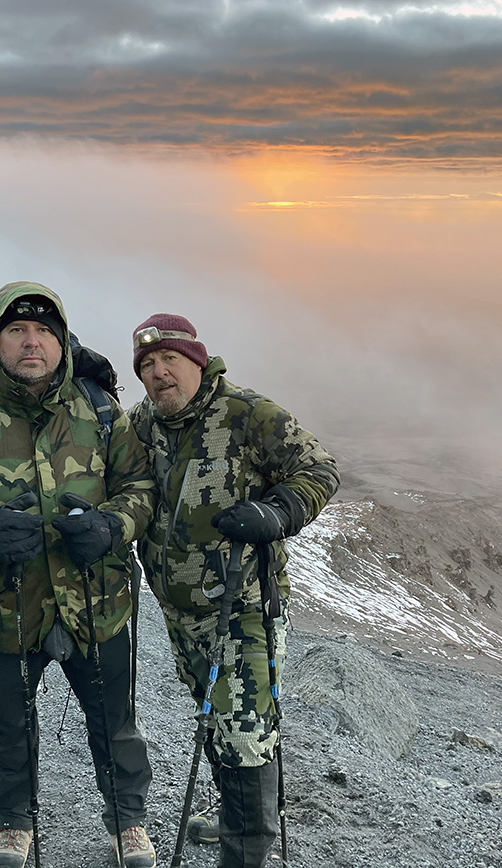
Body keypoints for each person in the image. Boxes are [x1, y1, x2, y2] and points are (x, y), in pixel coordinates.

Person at [0, 281, 158, 868]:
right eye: (17, 330)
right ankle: (14, 824)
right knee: (10, 723)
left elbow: (140, 488)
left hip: (97, 602)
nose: (31, 342)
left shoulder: (97, 409)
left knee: (115, 721)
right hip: (5, 606)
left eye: (44, 331)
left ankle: (129, 823)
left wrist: (112, 527)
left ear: (63, 342)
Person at [127, 314, 339, 868]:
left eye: (168, 360)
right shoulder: (145, 423)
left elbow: (319, 467)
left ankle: (245, 851)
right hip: (182, 613)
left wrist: (275, 512)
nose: (158, 374)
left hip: (242, 607)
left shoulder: (246, 414)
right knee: (215, 716)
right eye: (146, 366)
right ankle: (231, 816)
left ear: (196, 360)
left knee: (245, 732)